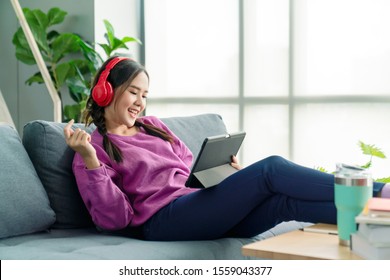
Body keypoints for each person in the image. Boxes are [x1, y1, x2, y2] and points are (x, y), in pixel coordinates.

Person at [63, 56, 390, 241]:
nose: (140, 103)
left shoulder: (155, 127)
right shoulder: (93, 148)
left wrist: (224, 176)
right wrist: (91, 161)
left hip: (191, 205)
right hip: (161, 220)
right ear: (107, 91)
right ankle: (381, 192)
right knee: (271, 169)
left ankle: (378, 222)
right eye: (133, 92)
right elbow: (115, 219)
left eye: (145, 95)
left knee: (285, 204)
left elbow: (186, 176)